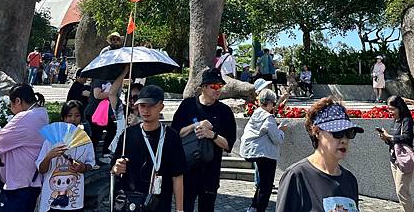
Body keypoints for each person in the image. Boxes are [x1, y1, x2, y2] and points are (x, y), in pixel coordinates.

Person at [276, 97, 363, 211]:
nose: (344, 140)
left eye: (349, 133)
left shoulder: (350, 180)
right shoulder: (297, 176)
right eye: (337, 132)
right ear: (317, 132)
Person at [171, 68, 237, 212]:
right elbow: (175, 133)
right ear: (203, 87)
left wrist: (211, 135)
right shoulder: (188, 105)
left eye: (220, 86)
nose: (218, 89)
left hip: (210, 173)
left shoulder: (225, 111)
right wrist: (195, 126)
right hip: (187, 170)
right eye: (214, 86)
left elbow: (228, 145)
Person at [111, 85, 185, 212]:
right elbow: (113, 168)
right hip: (131, 203)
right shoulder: (128, 135)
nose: (146, 110)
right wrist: (116, 168)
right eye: (142, 105)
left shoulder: (171, 137)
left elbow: (177, 175)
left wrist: (179, 210)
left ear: (161, 106)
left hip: (160, 204)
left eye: (151, 106)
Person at [0, 84, 49, 212]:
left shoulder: (25, 117)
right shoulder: (41, 113)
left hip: (21, 183)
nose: (11, 109)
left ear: (18, 101)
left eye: (10, 105)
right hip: (32, 180)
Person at [36, 100, 95, 212]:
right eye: (69, 115)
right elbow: (41, 169)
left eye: (77, 115)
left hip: (75, 198)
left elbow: (90, 164)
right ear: (63, 117)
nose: (73, 119)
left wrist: (83, 167)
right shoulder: (50, 141)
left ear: (81, 118)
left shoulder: (85, 141)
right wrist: (49, 156)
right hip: (50, 197)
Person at [240, 88, 287, 212]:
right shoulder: (268, 117)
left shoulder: (256, 113)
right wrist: (282, 130)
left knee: (261, 183)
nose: (274, 105)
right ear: (270, 103)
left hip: (253, 151)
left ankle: (253, 207)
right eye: (274, 103)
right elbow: (277, 139)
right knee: (266, 186)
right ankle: (260, 209)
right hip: (266, 154)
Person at [377, 95, 414, 212]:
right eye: (389, 109)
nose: (390, 112)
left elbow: (407, 137)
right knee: (401, 191)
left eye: (392, 109)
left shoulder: (406, 120)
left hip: (403, 160)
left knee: (402, 191)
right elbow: (393, 141)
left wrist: (389, 136)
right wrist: (385, 138)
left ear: (400, 108)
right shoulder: (395, 121)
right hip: (394, 159)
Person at [84, 78, 117, 164]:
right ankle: (91, 159)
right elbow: (97, 95)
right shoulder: (99, 80)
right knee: (96, 135)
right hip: (93, 112)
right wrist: (111, 93)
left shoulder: (110, 81)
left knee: (112, 129)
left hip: (103, 113)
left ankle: (104, 153)